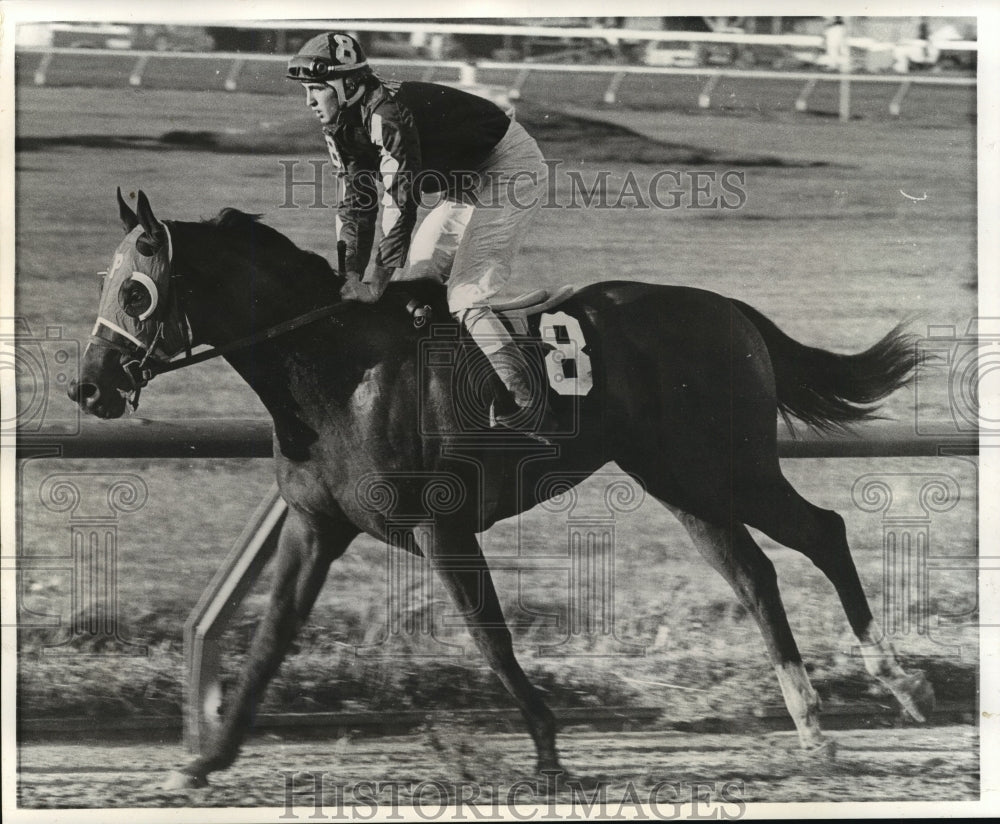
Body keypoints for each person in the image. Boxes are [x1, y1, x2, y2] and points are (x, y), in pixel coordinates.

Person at [286, 32, 555, 437]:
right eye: (307, 90)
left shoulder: (386, 116)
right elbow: (356, 205)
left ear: (350, 85)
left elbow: (398, 206)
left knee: (465, 295)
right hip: (463, 181)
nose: (309, 101)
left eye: (317, 89)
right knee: (415, 280)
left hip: (507, 169)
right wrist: (350, 276)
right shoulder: (341, 122)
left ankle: (530, 403)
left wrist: (373, 282)